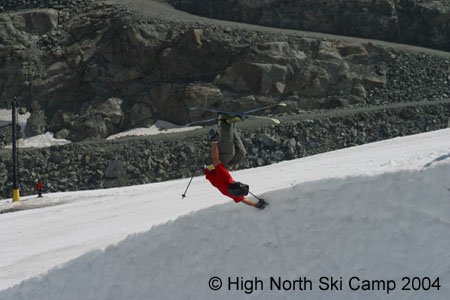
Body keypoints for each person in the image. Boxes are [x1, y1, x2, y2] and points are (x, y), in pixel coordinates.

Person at [202, 117, 267, 209]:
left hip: (210, 165)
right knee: (241, 153)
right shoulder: (232, 192)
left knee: (230, 153)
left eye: (240, 184)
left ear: (234, 184)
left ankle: (225, 123)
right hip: (217, 169)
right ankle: (231, 126)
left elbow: (215, 159)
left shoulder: (224, 177)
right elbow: (243, 199)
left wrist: (214, 141)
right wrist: (256, 205)